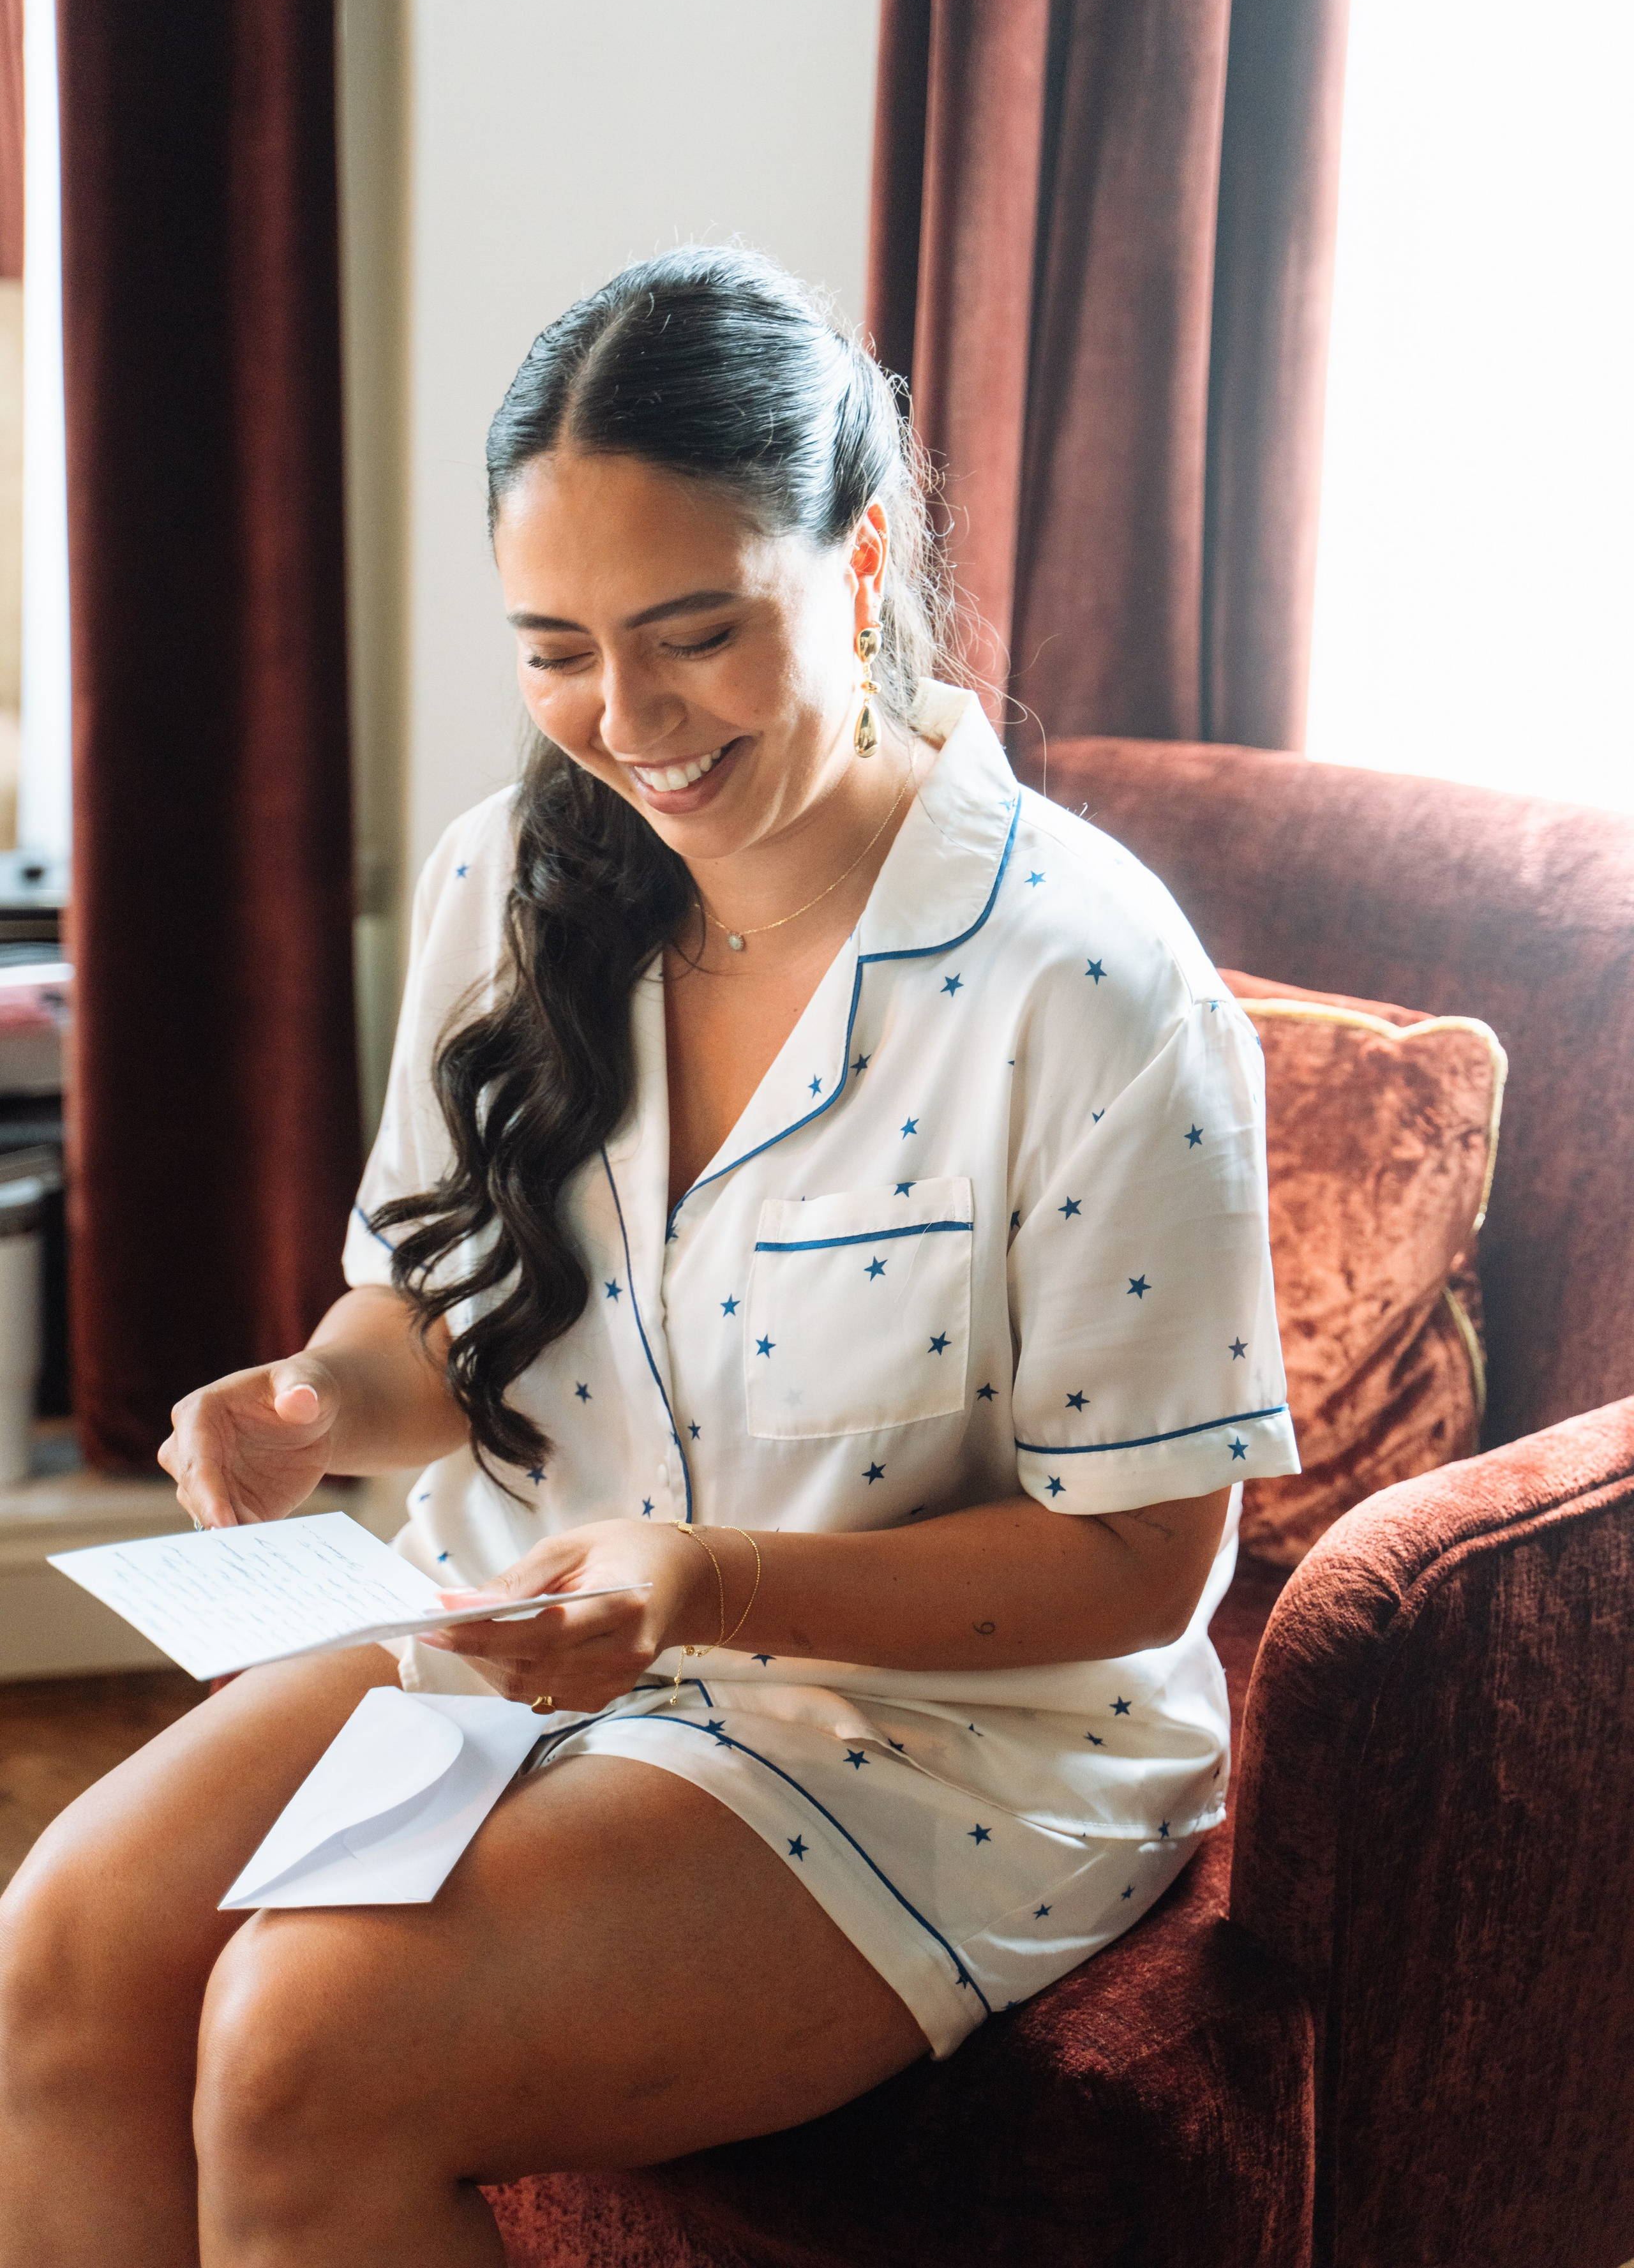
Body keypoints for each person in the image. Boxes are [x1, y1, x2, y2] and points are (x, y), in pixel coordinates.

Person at [0, 248, 1299, 2266]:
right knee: (58, 1950)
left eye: (697, 634)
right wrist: (319, 1400)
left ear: (861, 564)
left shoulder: (1091, 983)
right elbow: (443, 1324)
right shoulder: (510, 882)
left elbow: (1144, 1571)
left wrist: (702, 1583)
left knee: (306, 2040)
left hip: (939, 1734)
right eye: (558, 648)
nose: (626, 722)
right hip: (519, 1622)